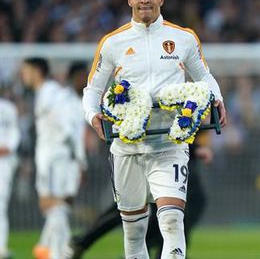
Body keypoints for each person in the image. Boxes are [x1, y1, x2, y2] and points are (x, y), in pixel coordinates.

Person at [82, 0, 226, 258]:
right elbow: (93, 90)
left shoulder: (184, 38)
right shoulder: (112, 43)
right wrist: (92, 115)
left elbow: (204, 77)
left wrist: (217, 97)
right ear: (129, 0)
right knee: (134, 230)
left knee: (172, 219)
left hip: (169, 143)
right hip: (126, 146)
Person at [65, 138, 214, 259]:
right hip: (143, 150)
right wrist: (195, 147)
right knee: (131, 211)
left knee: (171, 214)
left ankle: (83, 242)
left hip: (171, 152)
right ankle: (84, 242)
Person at [20, 58, 84, 259]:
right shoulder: (51, 92)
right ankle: (48, 247)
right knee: (60, 206)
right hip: (60, 156)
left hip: (53, 156)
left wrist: (69, 150)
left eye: (26, 71)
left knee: (51, 204)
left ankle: (59, 252)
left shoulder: (49, 92)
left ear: (36, 70)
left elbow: (65, 124)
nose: (24, 75)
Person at [0, 97, 20, 259]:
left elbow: (14, 131)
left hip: (4, 162)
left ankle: (1, 247)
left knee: (0, 204)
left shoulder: (8, 108)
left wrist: (9, 146)